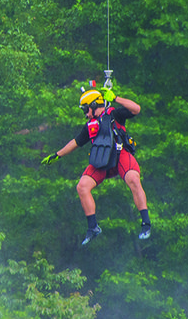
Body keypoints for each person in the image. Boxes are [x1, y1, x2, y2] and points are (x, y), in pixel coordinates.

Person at [41, 88, 151, 245]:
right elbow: (76, 142)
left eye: (86, 109)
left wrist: (116, 98)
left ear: (93, 105)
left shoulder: (115, 114)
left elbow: (136, 109)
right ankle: (92, 227)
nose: (85, 113)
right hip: (102, 160)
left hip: (120, 155)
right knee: (82, 186)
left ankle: (145, 223)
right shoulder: (90, 125)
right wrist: (57, 155)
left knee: (133, 179)